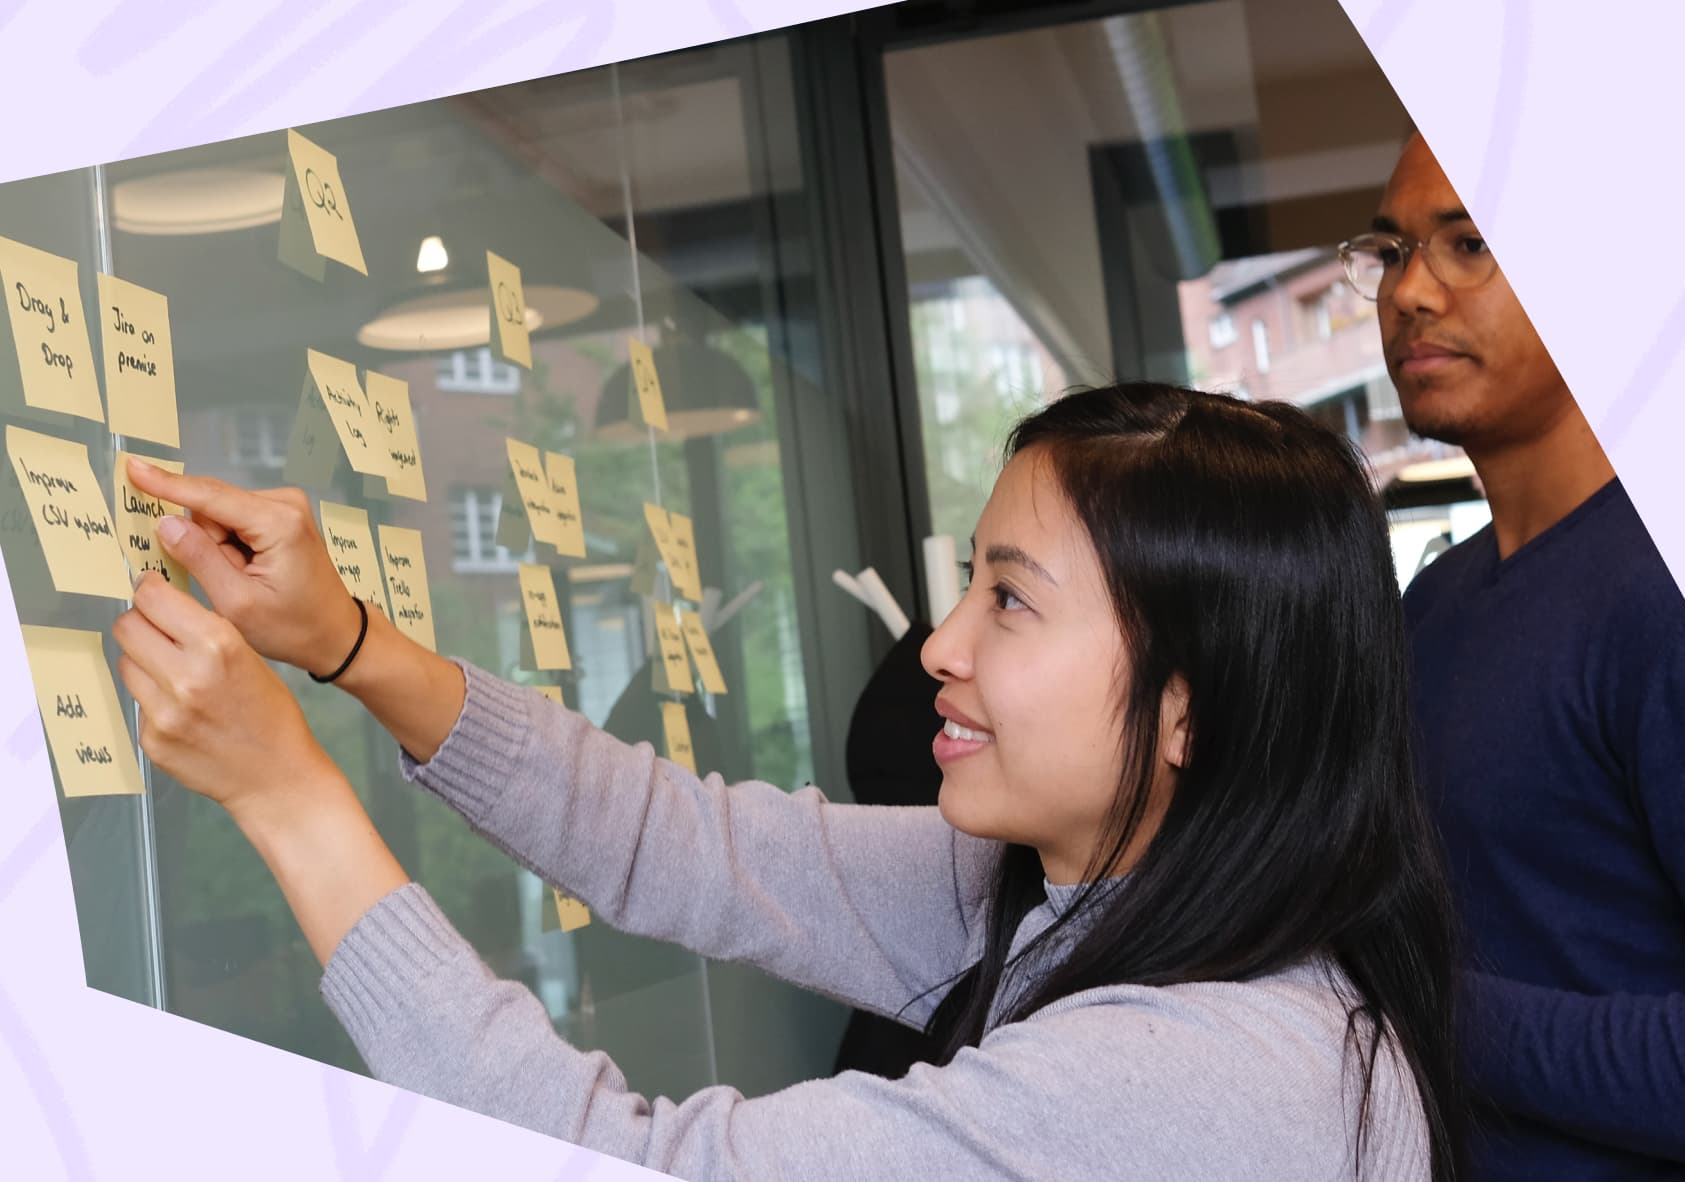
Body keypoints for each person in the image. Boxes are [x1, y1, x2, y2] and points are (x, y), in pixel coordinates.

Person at [112, 382, 1463, 1180]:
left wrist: (287, 796)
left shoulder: (1199, 1076)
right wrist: (355, 646)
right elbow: (676, 841)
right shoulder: (1098, 888)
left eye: (1009, 600)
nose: (939, 647)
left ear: (1186, 706)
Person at [1340, 134, 1685, 1178]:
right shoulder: (1431, 606)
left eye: (1467, 243)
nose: (1410, 290)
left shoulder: (1663, 597)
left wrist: (1419, 1008)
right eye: (1393, 247)